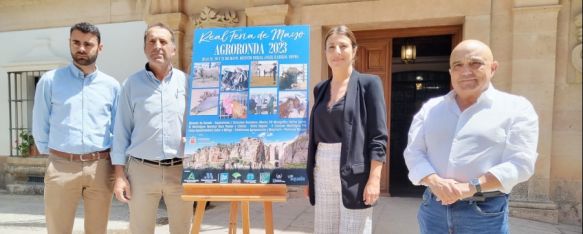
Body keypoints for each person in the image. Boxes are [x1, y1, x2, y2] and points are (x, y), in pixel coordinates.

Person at [404, 39, 539, 234]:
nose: (465, 71)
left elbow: (521, 164)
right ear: (451, 72)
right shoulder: (431, 109)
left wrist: (470, 187)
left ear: (493, 68)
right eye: (458, 65)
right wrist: (435, 182)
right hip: (433, 209)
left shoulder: (516, 108)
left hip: (483, 214)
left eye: (475, 63)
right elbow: (414, 152)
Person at [32, 22, 120, 234]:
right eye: (76, 43)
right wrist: (54, 154)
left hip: (100, 167)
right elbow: (40, 121)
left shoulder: (112, 86)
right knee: (58, 229)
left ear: (99, 47)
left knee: (98, 230)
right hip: (62, 166)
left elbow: (118, 130)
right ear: (69, 43)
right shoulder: (50, 80)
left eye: (88, 44)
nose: (81, 48)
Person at [111, 23, 193, 234]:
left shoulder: (188, 83)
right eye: (152, 41)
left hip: (181, 170)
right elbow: (121, 132)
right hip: (141, 172)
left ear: (173, 49)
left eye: (163, 41)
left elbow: (199, 124)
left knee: (183, 229)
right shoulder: (131, 85)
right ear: (145, 48)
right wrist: (119, 176)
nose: (157, 46)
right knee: (140, 230)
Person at [306, 25, 388, 234]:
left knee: (354, 229)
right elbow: (316, 137)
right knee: (325, 229)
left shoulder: (369, 84)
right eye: (331, 47)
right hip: (322, 169)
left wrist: (374, 179)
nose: (337, 52)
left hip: (355, 171)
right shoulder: (320, 88)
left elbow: (378, 136)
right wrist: (311, 176)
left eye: (343, 46)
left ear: (355, 50)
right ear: (325, 53)